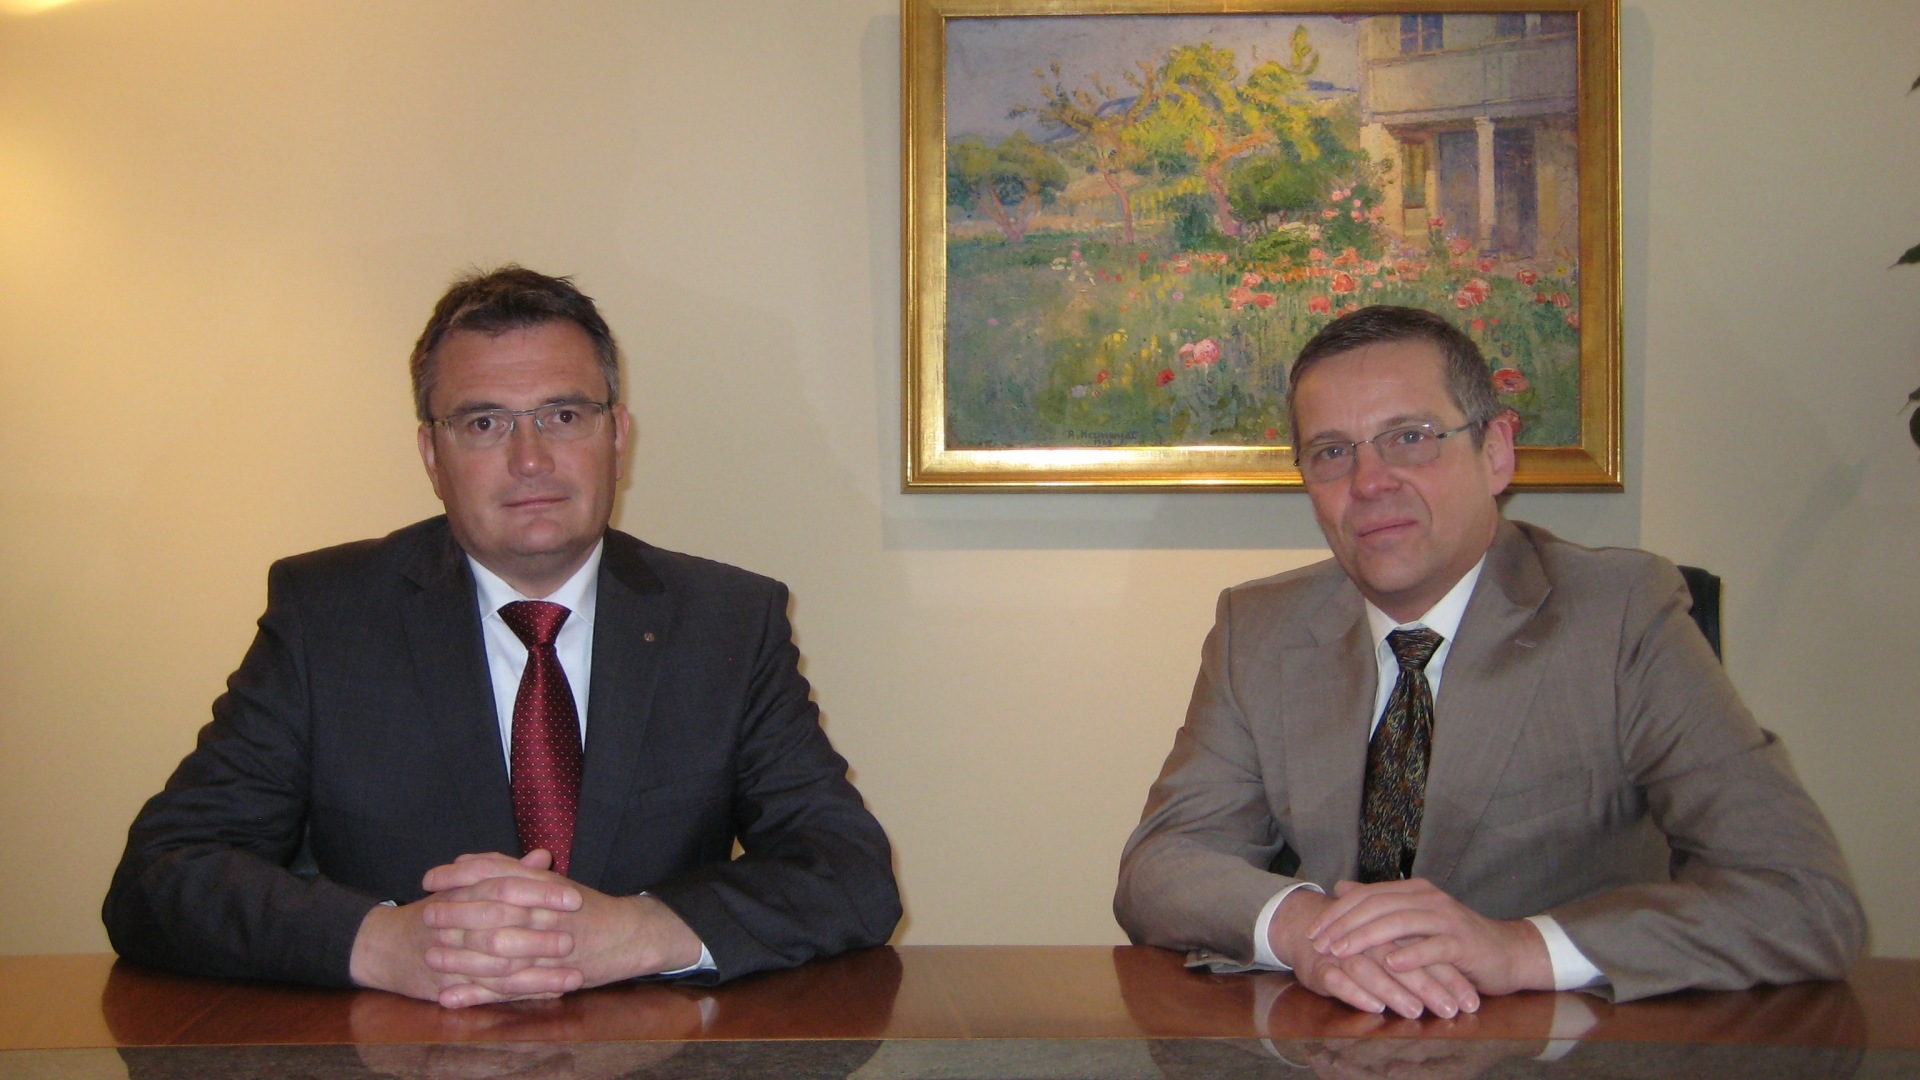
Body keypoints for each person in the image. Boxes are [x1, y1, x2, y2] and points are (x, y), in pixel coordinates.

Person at [104, 266, 900, 1007]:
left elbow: (849, 874)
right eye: (484, 422)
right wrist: (387, 943)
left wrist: (635, 931)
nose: (530, 459)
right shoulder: (326, 615)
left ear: (617, 436)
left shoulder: (728, 619)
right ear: (431, 453)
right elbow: (159, 876)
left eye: (563, 414)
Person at [1115, 305, 1863, 1018]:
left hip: (1557, 1048)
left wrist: (1516, 948)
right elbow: (1163, 865)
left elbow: (1801, 897)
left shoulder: (1622, 612)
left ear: (1496, 451)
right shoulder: (1260, 628)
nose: (1370, 482)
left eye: (1410, 436)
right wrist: (1305, 929)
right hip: (1333, 1042)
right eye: (1333, 451)